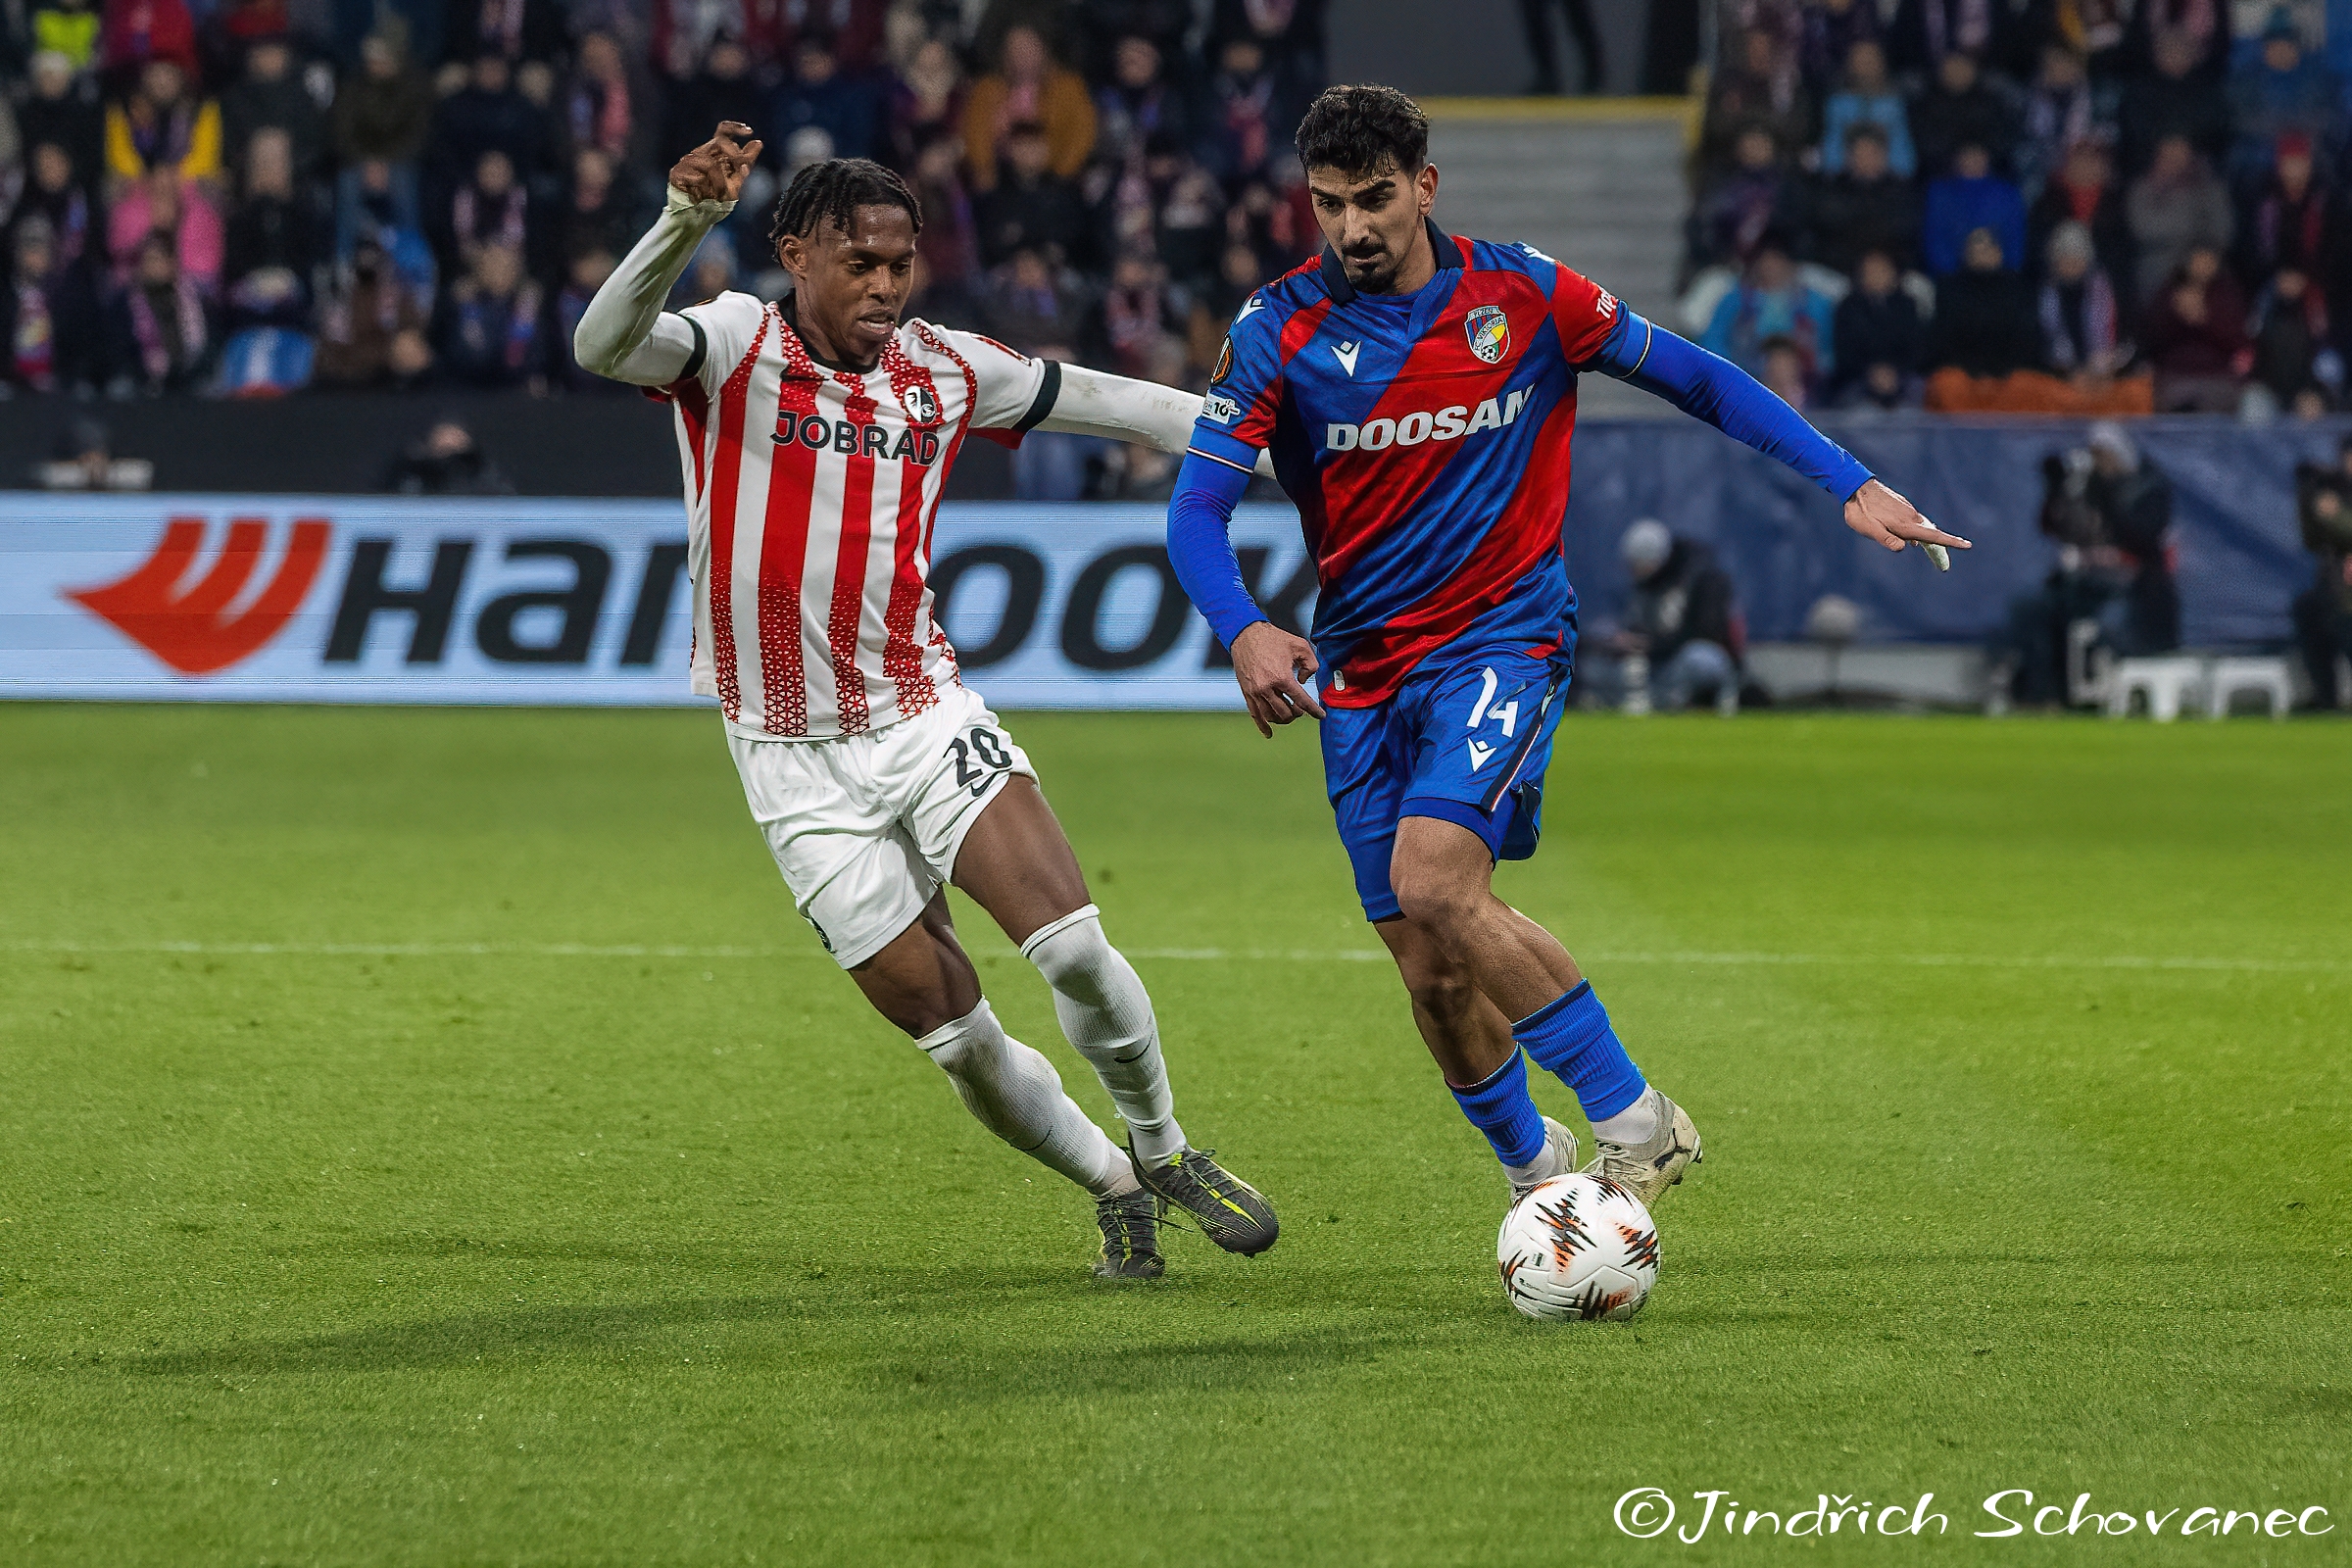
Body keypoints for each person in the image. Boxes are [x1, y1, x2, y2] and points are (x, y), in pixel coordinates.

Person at [1164, 86, 1966, 1229]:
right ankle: (1535, 1168)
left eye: (1375, 198)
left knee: (1436, 881)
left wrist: (1850, 480)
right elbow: (1196, 510)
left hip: (1504, 636)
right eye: (1330, 203)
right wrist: (1243, 624)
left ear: (1425, 186)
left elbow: (1698, 377)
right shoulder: (1275, 329)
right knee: (1431, 971)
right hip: (1362, 671)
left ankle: (1639, 1121)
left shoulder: (1526, 295)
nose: (1353, 227)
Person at [571, 125, 1281, 1279]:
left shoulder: (945, 369)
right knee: (956, 1038)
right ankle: (1111, 1185)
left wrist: (1302, 452)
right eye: (860, 262)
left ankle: (1164, 1149)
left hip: (922, 713)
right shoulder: (733, 343)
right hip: (786, 758)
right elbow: (602, 344)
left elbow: (1126, 406)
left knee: (1074, 947)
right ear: (796, 254)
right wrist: (681, 220)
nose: (885, 286)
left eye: (900, 264)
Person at [1592, 519, 1744, 710]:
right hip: (1656, 664)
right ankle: (1645, 700)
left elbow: (1706, 632)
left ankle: (1713, 698)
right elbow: (1635, 626)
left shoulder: (1702, 578)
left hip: (1681, 659)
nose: (1635, 571)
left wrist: (1650, 644)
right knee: (1598, 663)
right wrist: (1627, 642)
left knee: (1701, 659)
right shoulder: (1644, 586)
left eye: (1639, 565)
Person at [2291, 437, 2352, 707]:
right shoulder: (2336, 489)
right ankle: (2325, 697)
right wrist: (2308, 501)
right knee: (2309, 612)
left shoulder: (2339, 501)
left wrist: (2336, 515)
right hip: (2335, 587)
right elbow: (2312, 542)